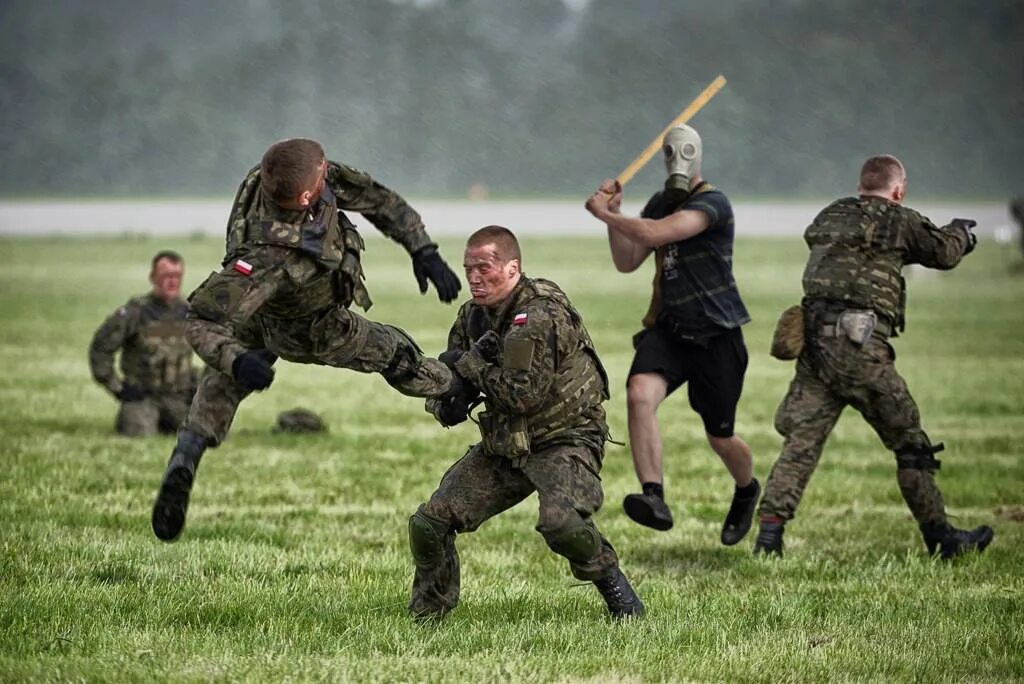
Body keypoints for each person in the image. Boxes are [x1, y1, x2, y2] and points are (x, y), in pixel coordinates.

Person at [151, 137, 463, 542]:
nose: (327, 171)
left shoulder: (273, 177)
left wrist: (422, 249)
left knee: (220, 385)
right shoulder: (271, 253)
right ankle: (454, 384)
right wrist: (237, 360)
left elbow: (376, 199)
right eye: (321, 174)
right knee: (393, 352)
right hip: (310, 326)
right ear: (303, 197)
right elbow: (200, 318)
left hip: (257, 311)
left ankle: (186, 456)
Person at [753, 154, 994, 559]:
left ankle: (768, 537)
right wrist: (961, 233)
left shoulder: (831, 214)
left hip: (816, 349)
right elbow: (943, 254)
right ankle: (941, 537)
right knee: (910, 443)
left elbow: (817, 237)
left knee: (801, 444)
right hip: (861, 351)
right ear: (898, 189)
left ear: (861, 183)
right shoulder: (900, 219)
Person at [408, 225, 644, 620]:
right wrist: (446, 399)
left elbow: (523, 395)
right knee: (429, 523)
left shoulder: (538, 316)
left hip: (564, 437)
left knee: (562, 525)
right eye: (468, 269)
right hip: (507, 443)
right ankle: (428, 615)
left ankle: (618, 593)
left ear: (513, 268)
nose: (474, 278)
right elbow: (457, 374)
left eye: (484, 267)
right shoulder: (473, 317)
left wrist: (469, 365)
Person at [584, 124, 759, 546]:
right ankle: (654, 497)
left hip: (717, 334)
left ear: (697, 154)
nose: (675, 158)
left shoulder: (713, 203)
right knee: (640, 393)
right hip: (671, 329)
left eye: (683, 150)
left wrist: (609, 214)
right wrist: (616, 215)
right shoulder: (661, 201)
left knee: (720, 437)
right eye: (669, 151)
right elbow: (628, 261)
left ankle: (747, 488)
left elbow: (658, 233)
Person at [89, 250, 198, 437]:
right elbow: (101, 348)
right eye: (166, 276)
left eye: (177, 276)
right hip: (143, 397)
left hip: (178, 397)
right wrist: (118, 387)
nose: (172, 282)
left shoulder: (190, 312)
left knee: (209, 436)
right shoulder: (135, 313)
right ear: (153, 278)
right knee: (140, 434)